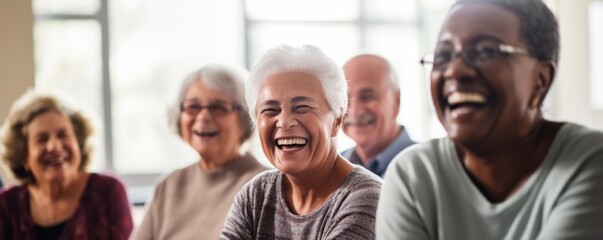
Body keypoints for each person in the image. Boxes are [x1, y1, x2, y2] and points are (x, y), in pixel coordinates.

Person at [376, 0, 603, 239]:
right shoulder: (413, 176)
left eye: (486, 51)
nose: (455, 70)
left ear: (541, 79)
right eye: (444, 55)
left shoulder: (589, 161)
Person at [221, 45, 383, 240]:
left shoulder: (367, 199)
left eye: (301, 107)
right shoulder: (256, 195)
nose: (284, 122)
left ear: (337, 119)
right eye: (270, 110)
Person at [132, 65, 268, 240]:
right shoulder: (169, 185)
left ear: (246, 117)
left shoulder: (266, 188)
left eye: (219, 107)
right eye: (193, 106)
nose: (203, 116)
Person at [0, 89, 133, 239]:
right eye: (42, 139)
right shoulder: (6, 205)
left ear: (79, 144)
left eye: (63, 135)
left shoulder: (108, 192)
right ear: (24, 156)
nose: (55, 146)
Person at [341, 54, 416, 178]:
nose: (354, 111)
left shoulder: (429, 166)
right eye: (346, 99)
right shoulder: (329, 170)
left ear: (396, 101)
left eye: (367, 97)